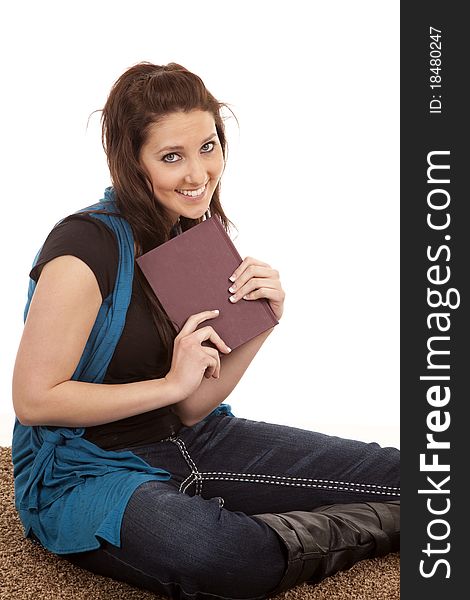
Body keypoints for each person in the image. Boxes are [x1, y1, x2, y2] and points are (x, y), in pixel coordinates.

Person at [11, 61, 400, 600]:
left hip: (193, 438)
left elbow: (194, 407)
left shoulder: (191, 235)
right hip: (85, 470)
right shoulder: (83, 250)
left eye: (208, 146)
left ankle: (271, 511)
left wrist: (263, 326)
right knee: (226, 557)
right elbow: (34, 400)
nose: (198, 174)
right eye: (172, 156)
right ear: (132, 162)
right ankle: (363, 526)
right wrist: (170, 384)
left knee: (418, 476)